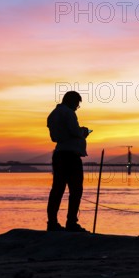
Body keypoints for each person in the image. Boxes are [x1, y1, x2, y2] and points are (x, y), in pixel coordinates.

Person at [46, 91, 91, 233]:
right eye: (77, 104)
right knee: (76, 189)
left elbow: (55, 137)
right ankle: (71, 223)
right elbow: (74, 131)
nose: (77, 107)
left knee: (57, 190)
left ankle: (52, 223)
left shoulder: (53, 114)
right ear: (72, 101)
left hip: (59, 154)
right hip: (70, 156)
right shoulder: (69, 113)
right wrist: (83, 131)